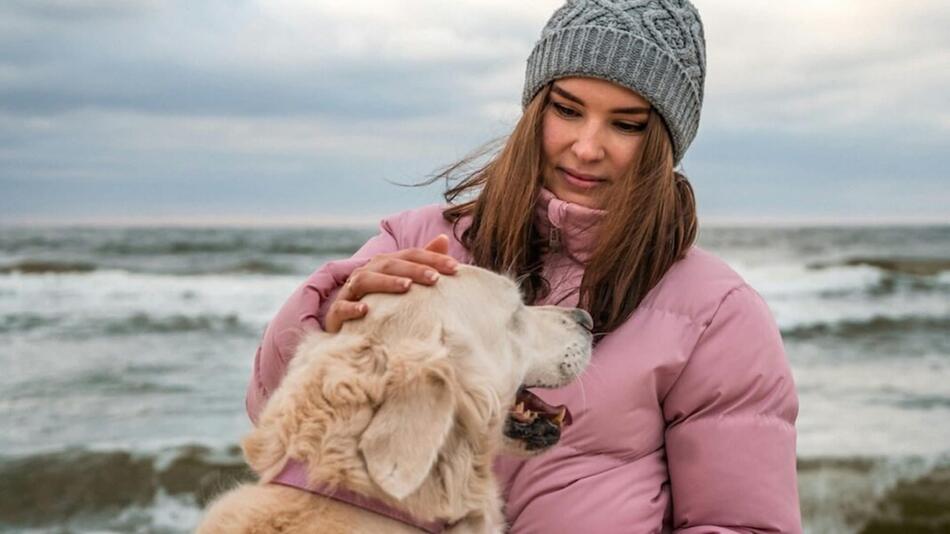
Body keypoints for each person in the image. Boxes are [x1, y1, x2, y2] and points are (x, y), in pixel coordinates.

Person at [246, 0, 802, 532]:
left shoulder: (716, 314)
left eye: (626, 124)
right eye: (567, 109)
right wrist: (329, 323)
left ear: (662, 142)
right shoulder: (419, 243)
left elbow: (741, 524)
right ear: (536, 108)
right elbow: (275, 415)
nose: (587, 147)